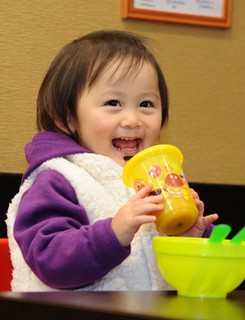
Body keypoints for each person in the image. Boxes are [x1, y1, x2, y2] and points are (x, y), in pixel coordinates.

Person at [6, 30, 218, 291]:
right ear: (66, 118)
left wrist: (191, 239)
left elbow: (195, 281)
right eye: (114, 102)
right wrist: (114, 233)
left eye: (147, 104)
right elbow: (50, 259)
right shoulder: (57, 178)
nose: (133, 119)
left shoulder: (159, 179)